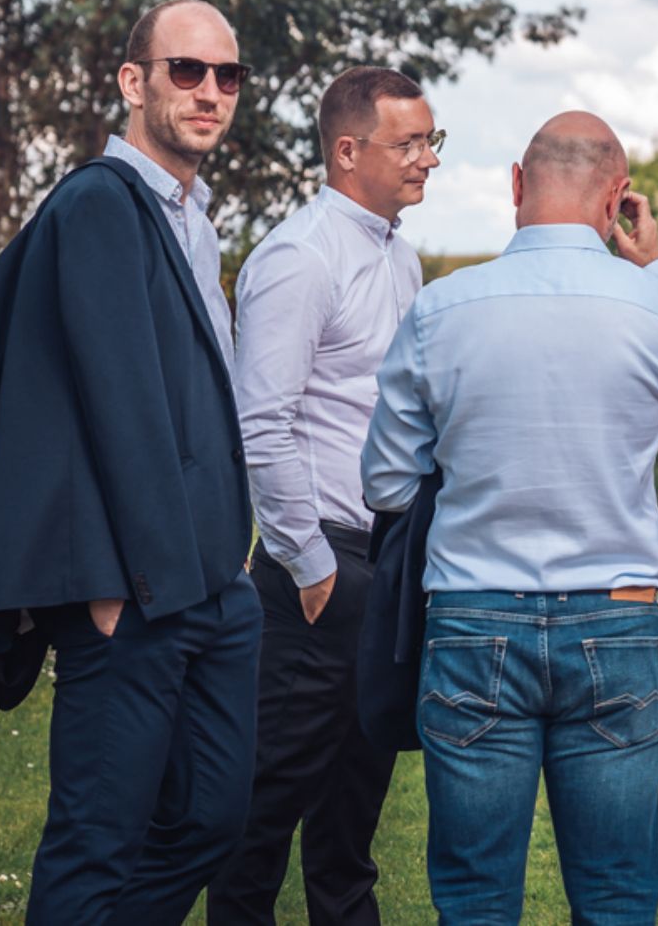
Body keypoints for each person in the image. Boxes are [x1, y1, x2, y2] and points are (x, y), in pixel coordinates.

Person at [360, 110, 658, 925]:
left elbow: (386, 483)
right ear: (618, 198)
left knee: (474, 898)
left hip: (472, 619)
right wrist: (657, 267)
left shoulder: (441, 307)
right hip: (616, 619)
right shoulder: (656, 305)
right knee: (616, 894)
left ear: (516, 185)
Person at [0, 0, 260, 924]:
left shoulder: (191, 219)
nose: (209, 91)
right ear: (134, 81)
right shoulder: (99, 205)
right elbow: (114, 402)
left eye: (228, 75)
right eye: (186, 70)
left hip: (215, 586)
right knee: (97, 842)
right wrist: (123, 585)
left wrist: (226, 565)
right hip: (136, 591)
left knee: (210, 820)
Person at [208, 68, 442, 924]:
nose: (427, 159)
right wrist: (311, 566)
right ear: (348, 151)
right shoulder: (298, 258)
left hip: (386, 563)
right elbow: (260, 421)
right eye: (408, 143)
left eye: (432, 141)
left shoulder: (401, 254)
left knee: (352, 817)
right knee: (261, 811)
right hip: (318, 570)